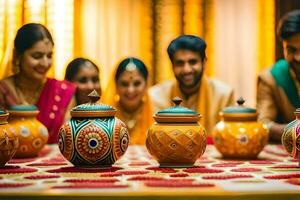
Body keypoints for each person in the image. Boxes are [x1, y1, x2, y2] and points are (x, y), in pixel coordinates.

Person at [0, 23, 76, 144]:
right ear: (17, 55)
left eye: (49, 55)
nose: (45, 63)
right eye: (37, 56)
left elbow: (68, 138)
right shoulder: (3, 91)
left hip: (55, 160)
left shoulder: (62, 91)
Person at [149, 35, 234, 143]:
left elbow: (228, 139)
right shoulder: (156, 96)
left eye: (193, 62)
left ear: (204, 62)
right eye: (180, 63)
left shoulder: (223, 95)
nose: (187, 69)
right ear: (172, 66)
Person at [257, 10, 300, 143]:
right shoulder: (270, 77)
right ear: (283, 47)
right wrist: (295, 131)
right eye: (292, 50)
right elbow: (263, 124)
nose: (298, 58)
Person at [102, 57, 153, 145]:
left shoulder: (156, 114)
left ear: (146, 85)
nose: (130, 90)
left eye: (137, 83)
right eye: (124, 84)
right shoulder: (105, 117)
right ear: (116, 85)